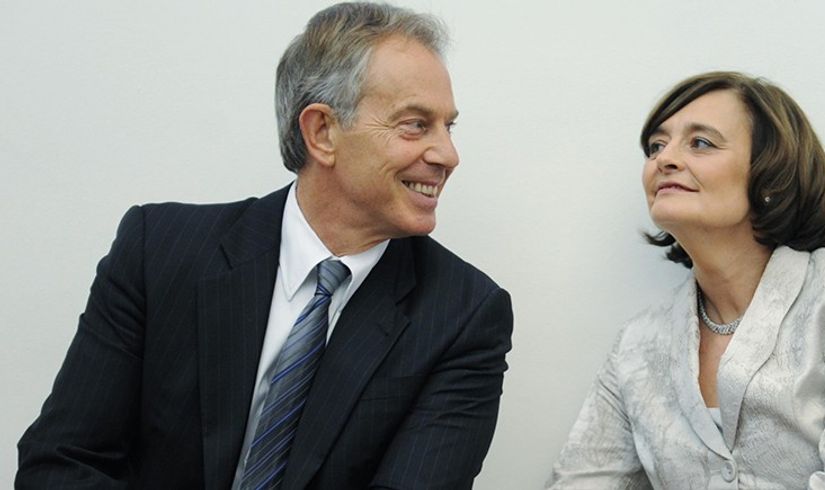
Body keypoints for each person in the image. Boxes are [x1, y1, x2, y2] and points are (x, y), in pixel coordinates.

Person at [17, 3, 513, 489]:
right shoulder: (159, 250)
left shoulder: (464, 316)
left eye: (448, 126)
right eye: (415, 124)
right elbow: (60, 463)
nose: (447, 154)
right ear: (322, 132)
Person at [546, 71, 825, 488]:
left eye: (701, 142)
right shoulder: (638, 344)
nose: (664, 159)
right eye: (656, 146)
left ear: (770, 175)